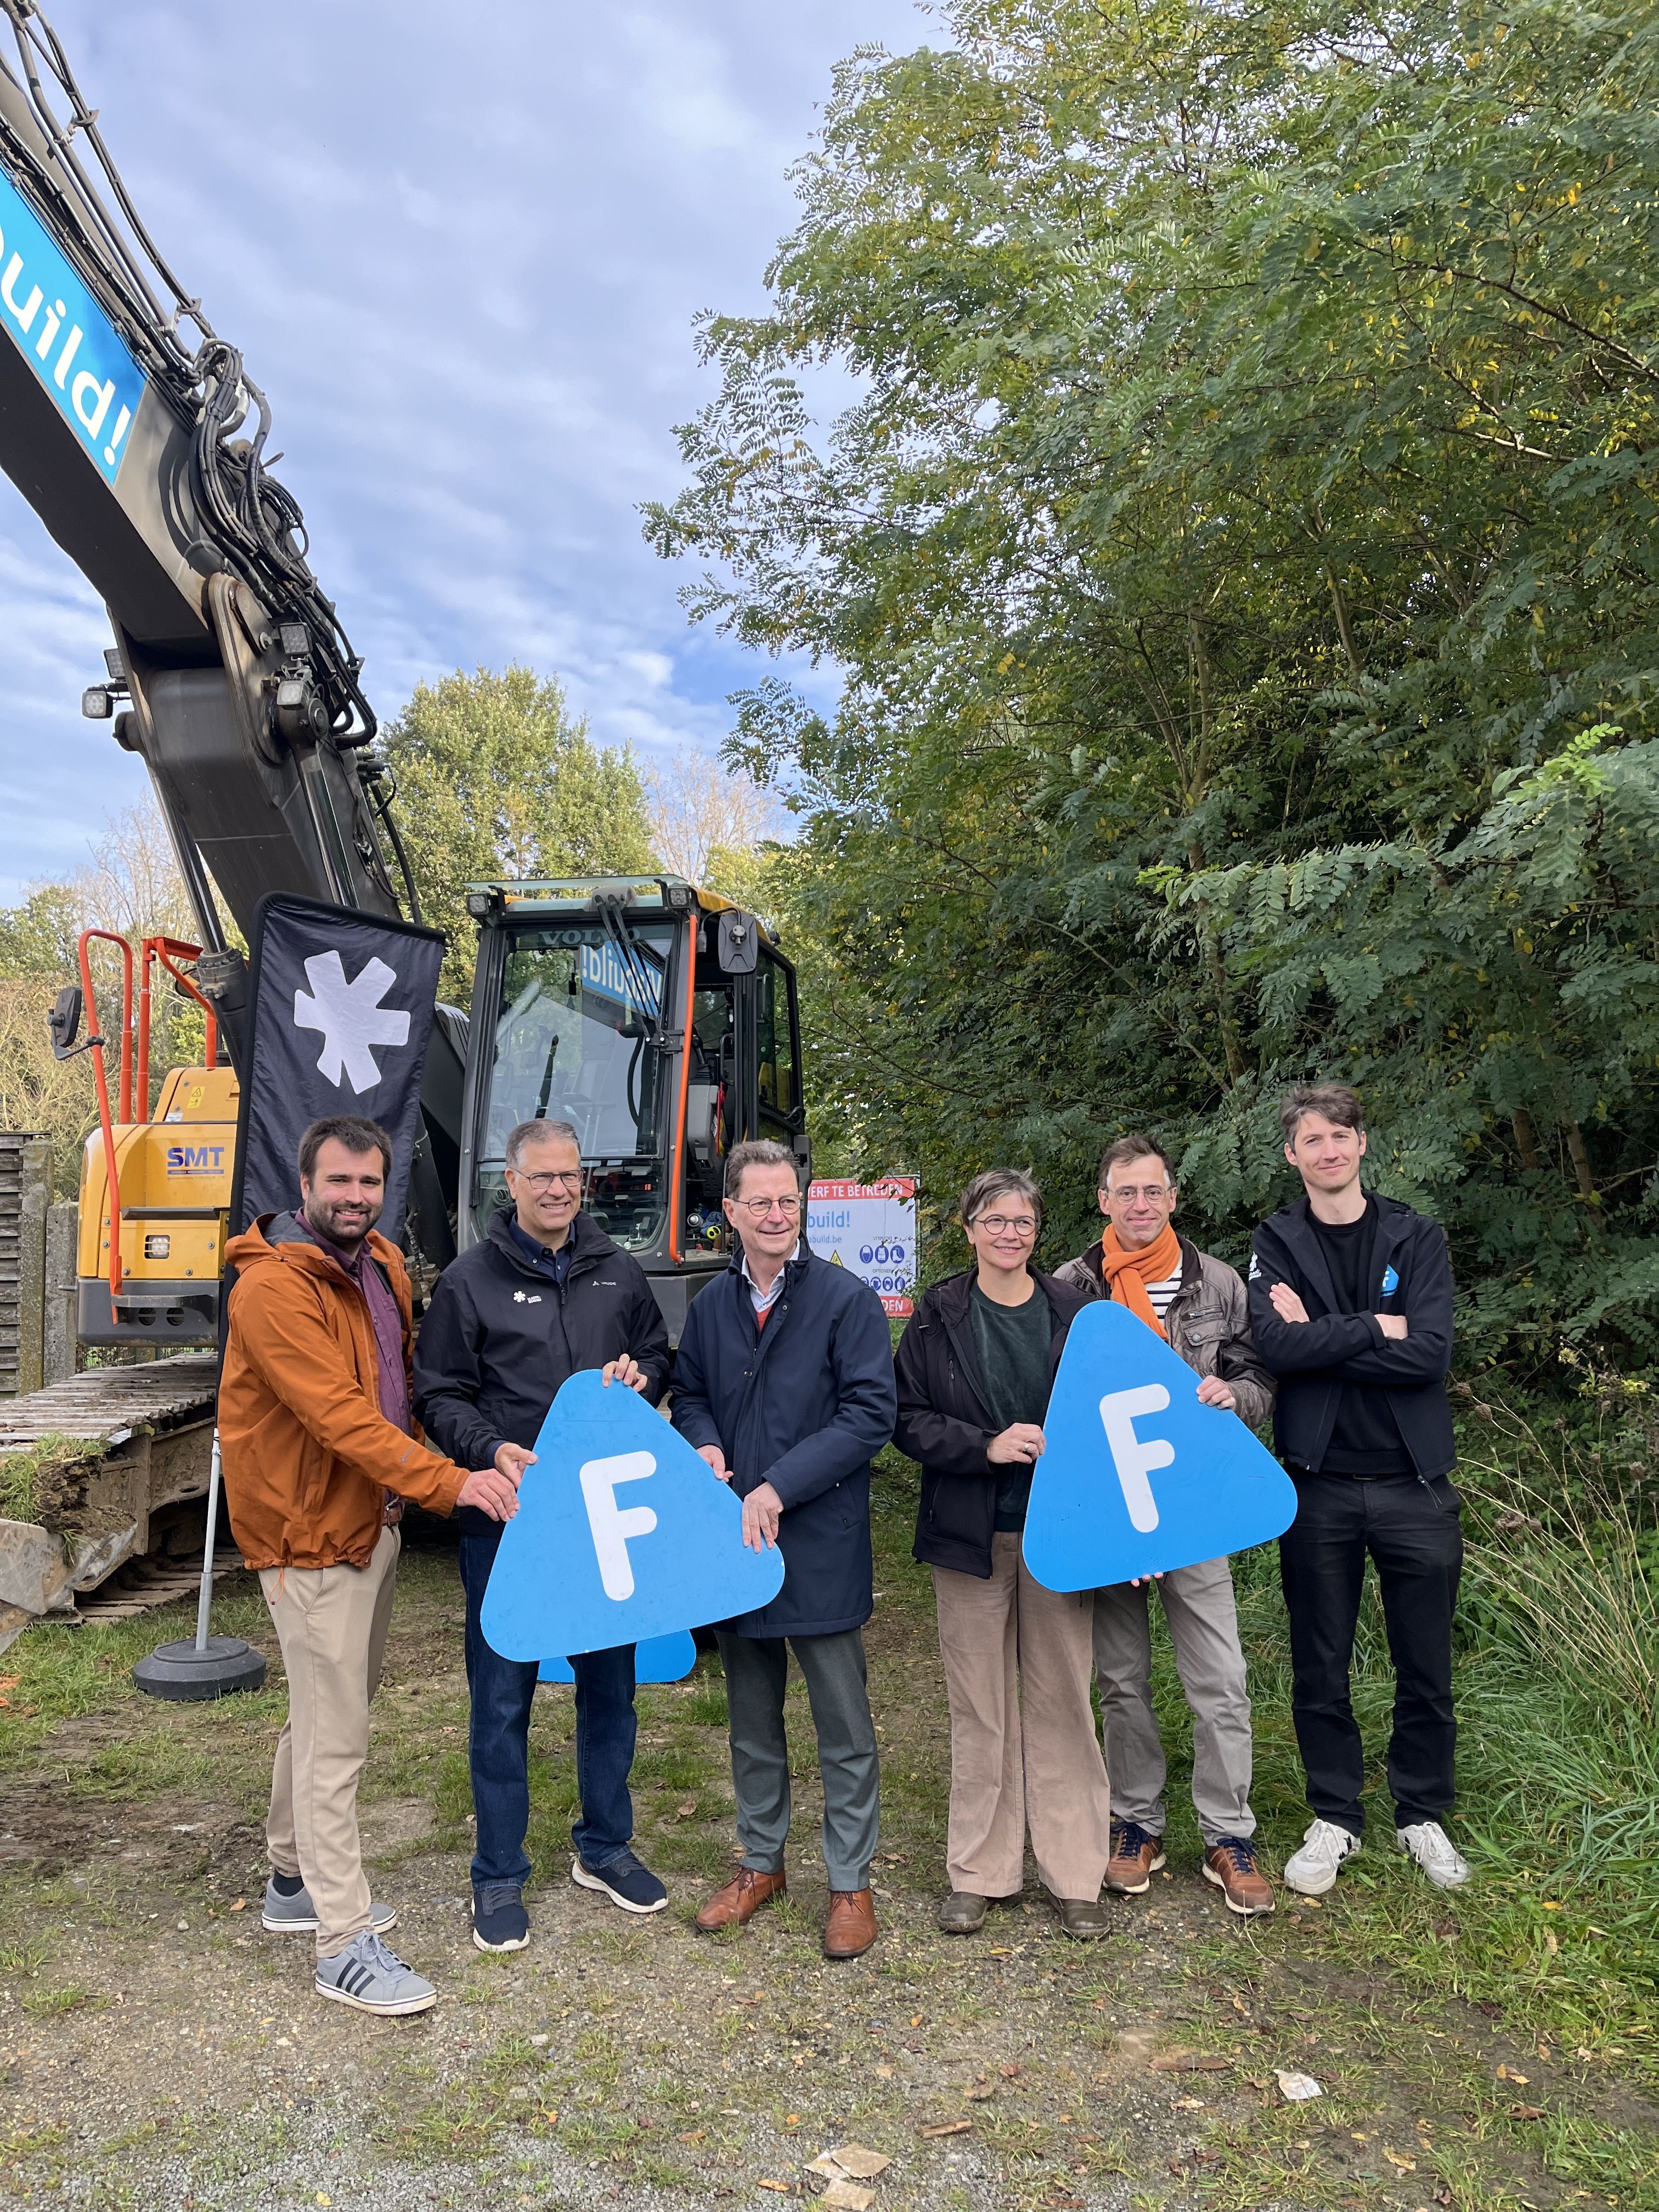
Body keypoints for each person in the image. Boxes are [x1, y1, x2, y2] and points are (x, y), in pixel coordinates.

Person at [219, 1115, 520, 2017]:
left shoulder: (379, 1265)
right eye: (339, 1182)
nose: (354, 1197)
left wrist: (471, 1449)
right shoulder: (272, 1291)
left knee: (325, 1712)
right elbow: (341, 1418)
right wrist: (452, 1484)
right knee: (335, 1740)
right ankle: (344, 1943)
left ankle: (289, 1881)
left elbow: (405, 1386)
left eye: (368, 1183)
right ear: (302, 1181)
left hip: (370, 1525)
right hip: (311, 1537)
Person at [414, 1118, 673, 1953]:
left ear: (581, 1183)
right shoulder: (468, 1281)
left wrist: (644, 1375)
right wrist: (487, 1449)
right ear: (512, 1184)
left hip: (602, 1519)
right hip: (510, 1520)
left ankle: (604, 1847)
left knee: (611, 1693)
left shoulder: (617, 1272)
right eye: (542, 1178)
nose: (558, 1190)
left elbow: (660, 1357)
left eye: (570, 1176)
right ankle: (497, 1874)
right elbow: (438, 1394)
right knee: (500, 1700)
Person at [670, 1138, 896, 1960]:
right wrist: (700, 1444)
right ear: (728, 1213)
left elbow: (871, 1415)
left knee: (843, 1725)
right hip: (736, 1546)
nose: (775, 1215)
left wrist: (777, 1486)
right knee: (752, 1722)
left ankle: (850, 1882)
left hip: (819, 1543)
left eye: (788, 1201)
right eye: (759, 1203)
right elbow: (690, 1389)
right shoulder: (708, 1306)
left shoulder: (845, 1300)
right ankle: (762, 1864)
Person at [1248, 1084, 1468, 1896]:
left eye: (1341, 1135)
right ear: (1292, 1155)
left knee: (1427, 1665)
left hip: (1415, 1482)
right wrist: (1381, 1324)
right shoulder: (1274, 1239)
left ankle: (1423, 1814)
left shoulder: (1416, 1234)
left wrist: (1326, 1333)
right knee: (1320, 1663)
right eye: (1313, 1139)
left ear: (1362, 1144)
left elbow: (1432, 1354)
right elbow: (1276, 1345)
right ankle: (1335, 1815)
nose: (1329, 1150)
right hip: (1318, 1483)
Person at [1054, 1137, 1277, 1917]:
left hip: (1196, 1506)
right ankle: (1136, 1823)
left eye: (1153, 1191)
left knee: (1219, 1677)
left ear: (1173, 1197)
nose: (1140, 1205)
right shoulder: (1072, 1287)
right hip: (1114, 1512)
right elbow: (1061, 1408)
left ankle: (1228, 1834)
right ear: (1104, 1199)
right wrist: (1100, 1515)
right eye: (1126, 1192)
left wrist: (1233, 1396)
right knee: (1121, 1679)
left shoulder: (1219, 1282)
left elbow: (1258, 1378)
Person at [896, 1169, 1114, 1938]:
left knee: (1064, 1700)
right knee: (979, 1707)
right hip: (970, 1534)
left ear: (1037, 1231)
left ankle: (1076, 1873)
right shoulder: (940, 1315)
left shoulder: (1079, 1313)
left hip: (1060, 1538)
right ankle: (981, 1871)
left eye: (1023, 1221)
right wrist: (983, 1446)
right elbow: (908, 1419)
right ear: (968, 1229)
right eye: (995, 1220)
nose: (1010, 1233)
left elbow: (1108, 1423)